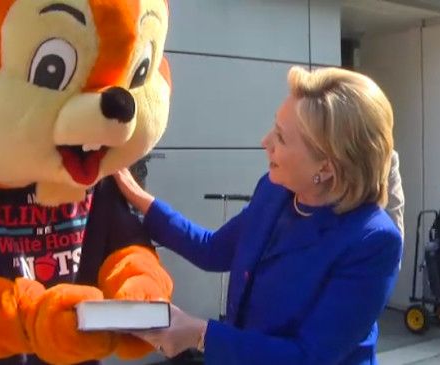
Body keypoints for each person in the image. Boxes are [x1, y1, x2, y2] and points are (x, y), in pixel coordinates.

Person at [113, 66, 403, 365]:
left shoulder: (372, 242)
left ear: (326, 168)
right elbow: (212, 249)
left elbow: (310, 357)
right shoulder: (274, 191)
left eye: (281, 137)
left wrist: (199, 334)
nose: (265, 142)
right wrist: (139, 198)